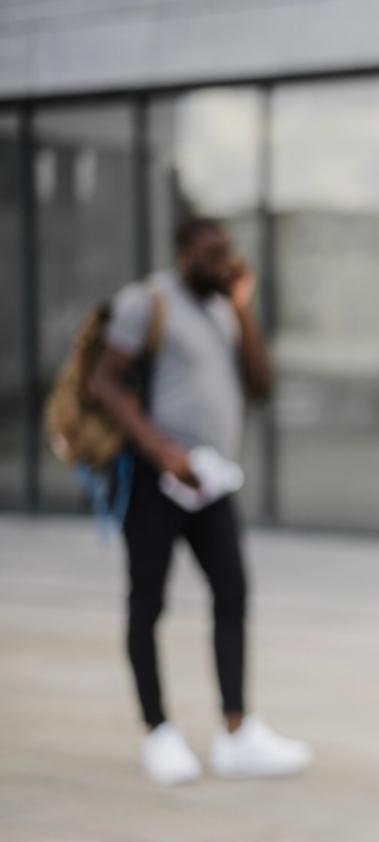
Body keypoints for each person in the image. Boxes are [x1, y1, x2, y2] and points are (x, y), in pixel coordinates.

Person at [90, 217, 311, 786]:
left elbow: (260, 384)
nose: (222, 262)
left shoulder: (222, 308)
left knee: (233, 592)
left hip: (211, 482)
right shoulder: (147, 301)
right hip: (154, 479)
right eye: (211, 254)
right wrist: (161, 451)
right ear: (185, 252)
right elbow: (104, 382)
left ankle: (237, 731)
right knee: (148, 602)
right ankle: (158, 731)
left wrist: (241, 308)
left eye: (227, 253)